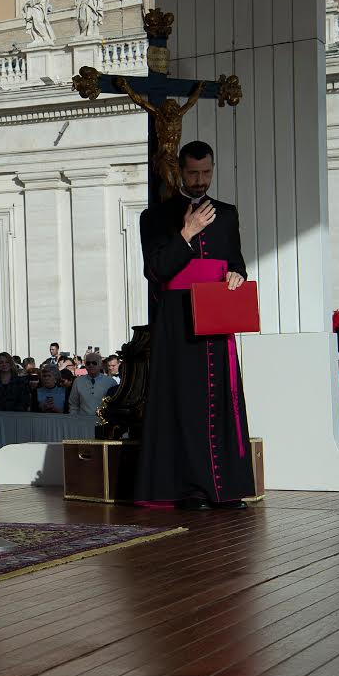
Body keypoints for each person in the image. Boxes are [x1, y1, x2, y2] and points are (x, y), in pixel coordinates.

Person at [135, 140, 254, 511]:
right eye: (193, 173)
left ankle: (226, 489)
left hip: (217, 318)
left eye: (206, 172)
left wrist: (236, 275)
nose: (200, 180)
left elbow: (236, 262)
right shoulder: (155, 217)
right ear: (180, 171)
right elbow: (155, 270)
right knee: (185, 404)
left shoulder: (228, 214)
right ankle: (190, 489)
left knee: (221, 402)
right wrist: (186, 232)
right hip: (178, 322)